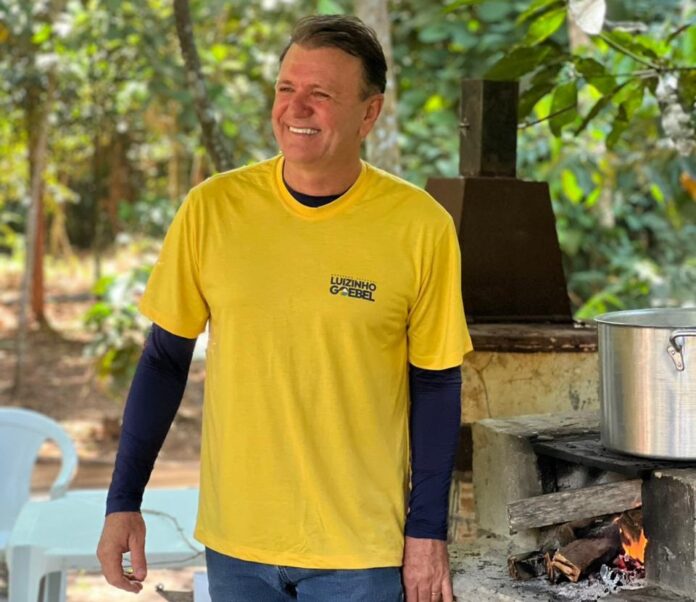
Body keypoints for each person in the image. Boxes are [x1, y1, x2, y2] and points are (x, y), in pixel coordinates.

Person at [97, 14, 472, 602]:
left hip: (360, 554)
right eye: (286, 88)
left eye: (321, 94)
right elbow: (165, 360)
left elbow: (436, 383)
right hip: (237, 547)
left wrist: (427, 532)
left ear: (369, 114)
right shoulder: (212, 209)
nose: (296, 108)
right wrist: (123, 501)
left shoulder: (420, 226)